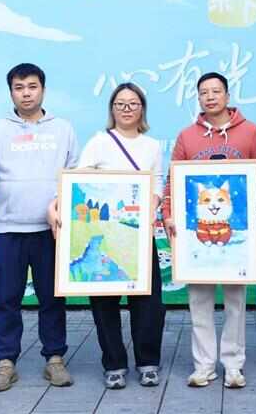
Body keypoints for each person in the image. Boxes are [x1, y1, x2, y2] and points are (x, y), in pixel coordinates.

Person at [47, 83, 166, 390]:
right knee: (104, 302)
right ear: (112, 109)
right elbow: (79, 180)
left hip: (139, 233)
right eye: (120, 103)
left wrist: (150, 205)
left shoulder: (152, 146)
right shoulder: (99, 142)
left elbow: (157, 185)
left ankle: (148, 362)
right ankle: (114, 364)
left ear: (142, 108)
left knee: (149, 302)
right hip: (102, 230)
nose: (126, 108)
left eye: (133, 103)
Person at [0, 63, 79, 392]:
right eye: (19, 88)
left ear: (43, 89)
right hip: (8, 229)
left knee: (52, 298)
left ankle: (55, 359)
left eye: (32, 86)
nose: (26, 93)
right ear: (11, 92)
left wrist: (60, 207)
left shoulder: (63, 129)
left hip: (51, 230)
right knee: (7, 299)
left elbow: (74, 174)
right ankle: (6, 363)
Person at [161, 72, 256, 389]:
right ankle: (204, 365)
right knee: (199, 301)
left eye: (216, 91)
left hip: (238, 237)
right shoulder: (187, 136)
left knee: (236, 302)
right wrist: (168, 214)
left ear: (227, 95)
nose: (210, 97)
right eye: (204, 92)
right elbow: (172, 179)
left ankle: (233, 365)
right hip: (196, 235)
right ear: (198, 98)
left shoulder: (250, 131)